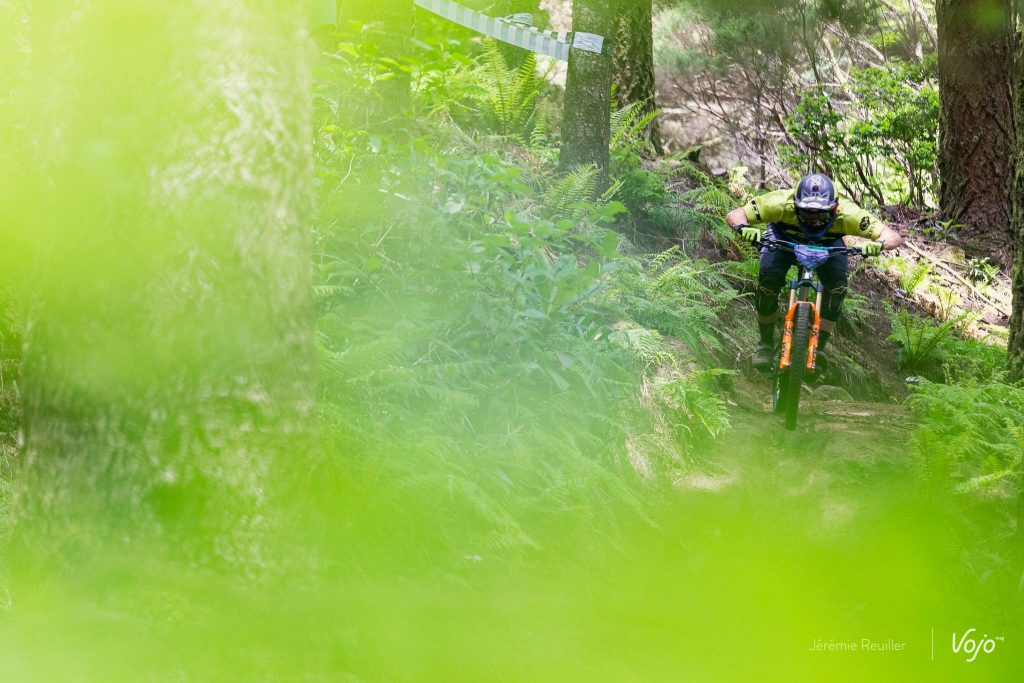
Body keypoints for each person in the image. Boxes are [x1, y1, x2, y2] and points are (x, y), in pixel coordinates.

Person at [725, 173, 904, 370]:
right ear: (795, 204)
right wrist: (744, 227)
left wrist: (879, 244)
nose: (813, 219)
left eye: (821, 213)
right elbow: (735, 215)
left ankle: (818, 348)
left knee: (837, 287)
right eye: (807, 212)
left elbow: (892, 236)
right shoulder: (778, 203)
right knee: (768, 281)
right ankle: (765, 344)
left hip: (828, 244)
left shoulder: (849, 214)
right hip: (782, 238)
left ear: (835, 208)